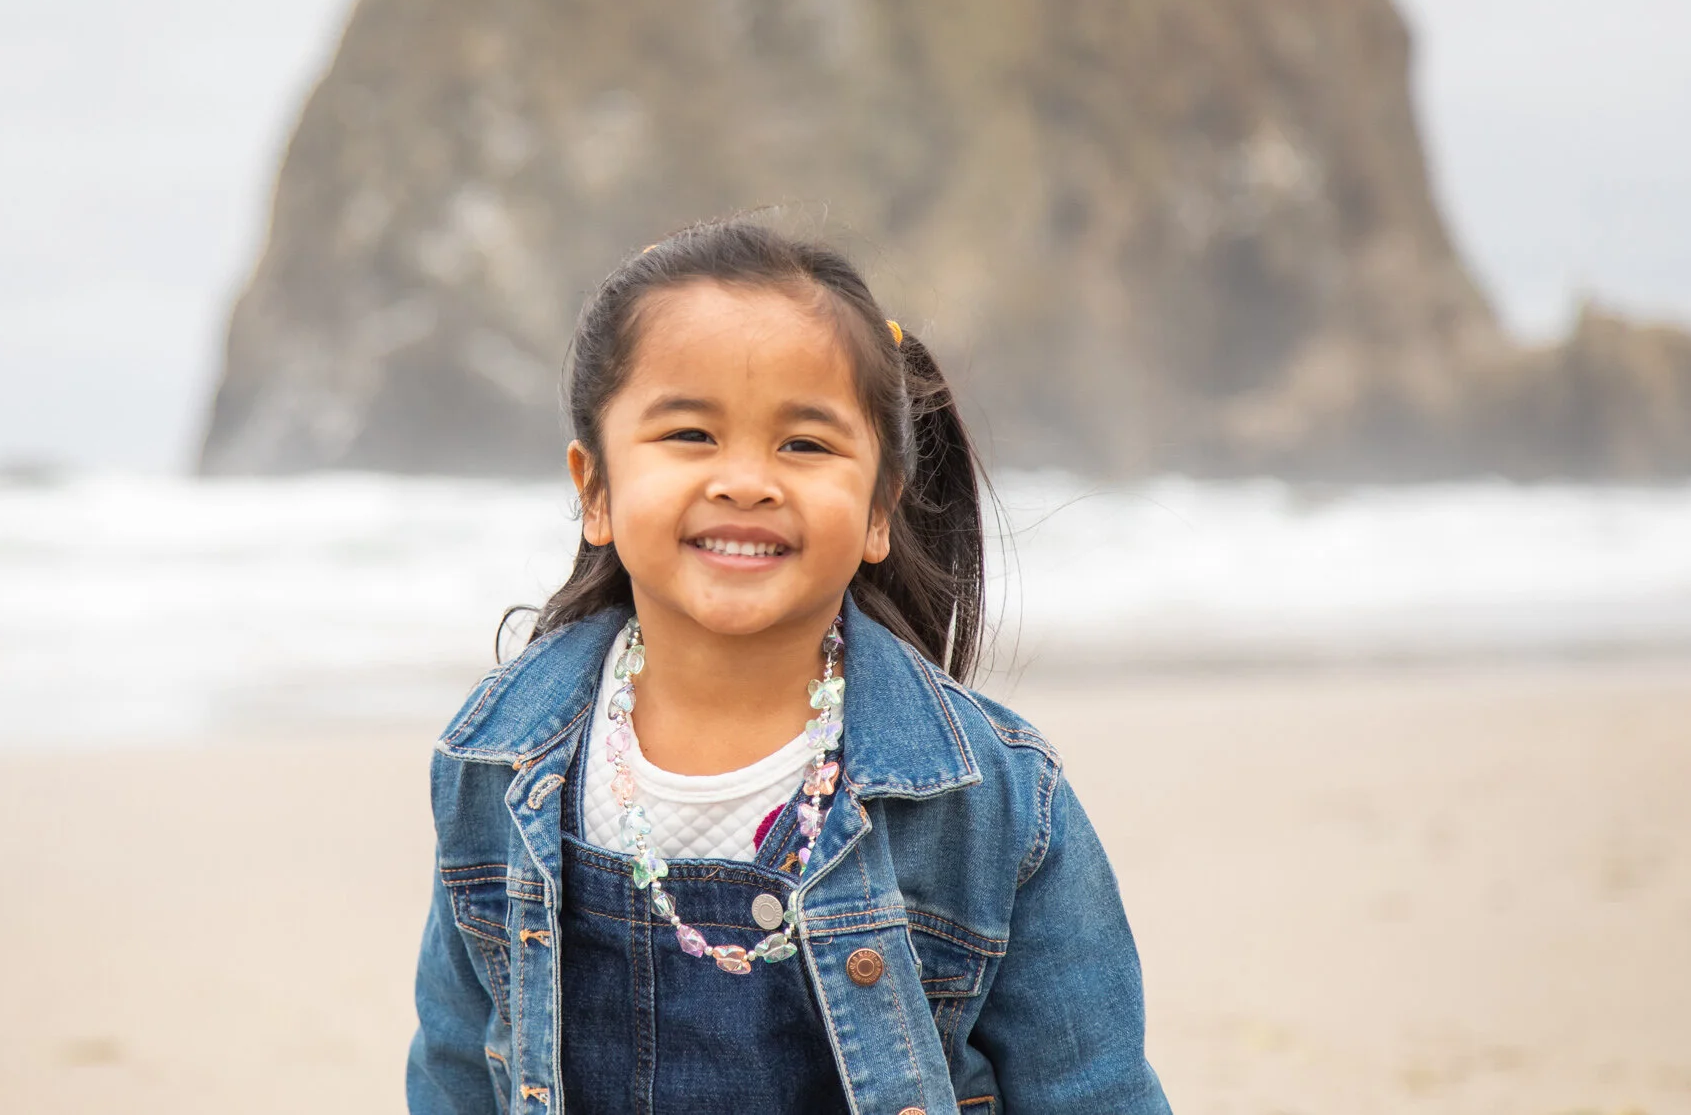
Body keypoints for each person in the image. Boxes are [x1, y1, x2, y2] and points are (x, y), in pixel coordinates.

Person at [408, 216, 1171, 1113]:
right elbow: (457, 1074)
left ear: (881, 508)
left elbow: (1097, 1090)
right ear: (596, 489)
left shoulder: (994, 802)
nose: (746, 480)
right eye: (690, 434)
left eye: (803, 444)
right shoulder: (497, 767)